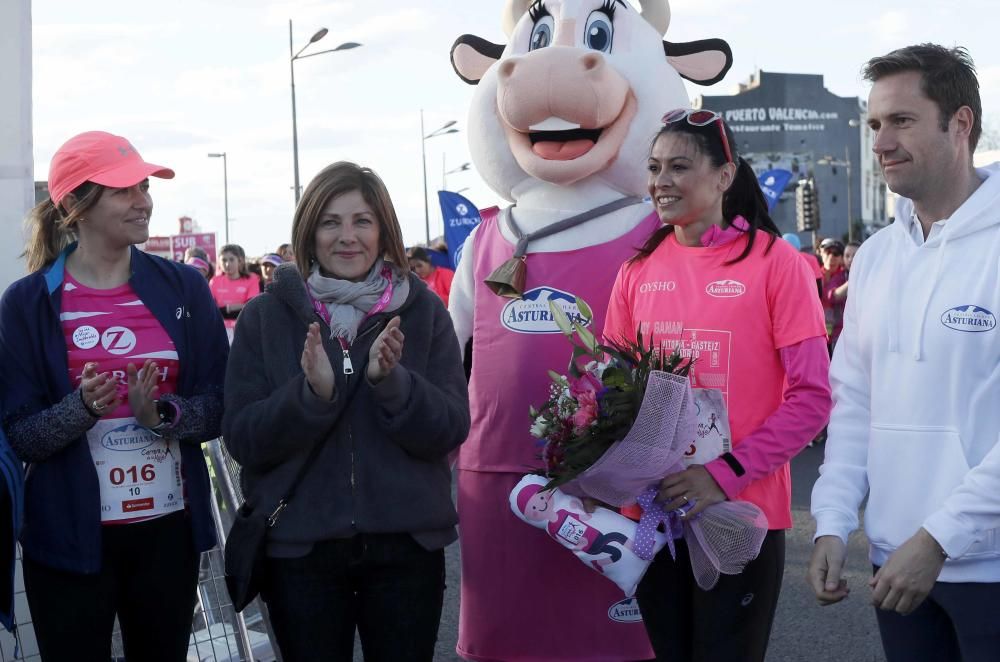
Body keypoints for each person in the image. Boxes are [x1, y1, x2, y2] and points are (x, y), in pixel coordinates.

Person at [603, 109, 832, 662]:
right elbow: (611, 387)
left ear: (725, 176)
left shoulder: (778, 264)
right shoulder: (637, 268)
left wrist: (722, 475)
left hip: (740, 514)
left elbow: (812, 398)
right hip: (654, 516)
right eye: (655, 167)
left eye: (679, 166)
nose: (662, 181)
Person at [223, 161, 469, 661]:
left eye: (362, 220)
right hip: (300, 551)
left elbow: (449, 429)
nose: (347, 236)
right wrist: (309, 396)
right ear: (309, 233)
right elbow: (243, 438)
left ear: (384, 230)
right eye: (330, 222)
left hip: (407, 549)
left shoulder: (423, 311)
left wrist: (393, 384)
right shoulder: (265, 316)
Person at [0, 131, 228, 661]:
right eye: (125, 189)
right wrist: (81, 409)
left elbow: (219, 404)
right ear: (76, 204)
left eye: (144, 187)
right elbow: (21, 434)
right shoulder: (27, 303)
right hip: (66, 538)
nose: (144, 200)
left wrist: (164, 415)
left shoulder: (184, 288)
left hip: (166, 535)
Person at [809, 44, 1000, 662]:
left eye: (901, 120)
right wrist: (834, 519)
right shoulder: (877, 259)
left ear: (961, 123)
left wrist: (940, 539)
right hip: (897, 568)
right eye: (873, 124)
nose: (881, 141)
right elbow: (854, 402)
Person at [209, 243, 259, 341]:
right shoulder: (214, 281)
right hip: (220, 329)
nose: (227, 264)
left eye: (231, 259)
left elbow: (251, 306)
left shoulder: (252, 279)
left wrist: (226, 308)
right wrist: (235, 307)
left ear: (239, 261)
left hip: (244, 328)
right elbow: (210, 308)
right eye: (224, 260)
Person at [820, 240, 847, 350]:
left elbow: (832, 296)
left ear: (841, 258)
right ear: (822, 254)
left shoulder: (845, 276)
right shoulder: (813, 273)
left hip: (840, 335)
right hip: (818, 334)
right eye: (828, 252)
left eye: (836, 254)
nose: (831, 257)